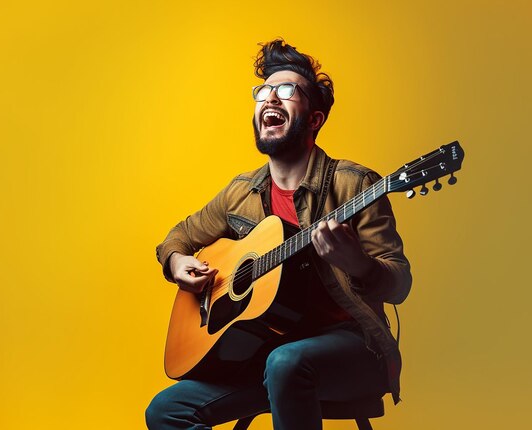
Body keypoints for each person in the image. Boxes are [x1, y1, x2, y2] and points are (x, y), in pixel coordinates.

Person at [146, 39, 412, 430]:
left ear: (315, 119)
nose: (271, 99)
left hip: (353, 350)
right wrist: (177, 262)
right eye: (263, 92)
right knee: (166, 410)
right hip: (266, 353)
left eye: (287, 91)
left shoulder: (355, 185)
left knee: (287, 361)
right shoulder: (241, 192)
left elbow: (399, 283)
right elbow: (178, 237)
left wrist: (356, 263)